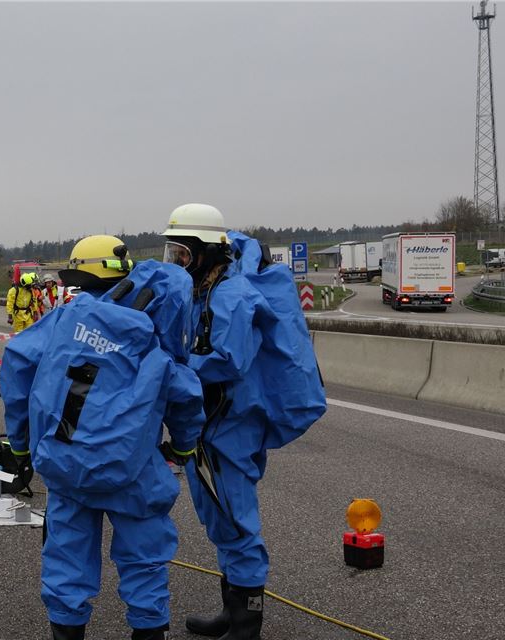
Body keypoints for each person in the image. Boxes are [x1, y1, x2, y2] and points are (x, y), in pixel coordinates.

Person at [1, 236, 203, 640]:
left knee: (67, 563)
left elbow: (17, 365)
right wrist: (181, 448)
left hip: (66, 464)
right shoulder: (150, 334)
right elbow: (186, 397)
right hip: (133, 470)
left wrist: (22, 443)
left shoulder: (63, 321)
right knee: (145, 563)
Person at [161, 204, 326, 640]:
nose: (177, 263)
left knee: (235, 520)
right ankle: (231, 611)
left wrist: (169, 369)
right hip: (213, 424)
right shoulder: (207, 289)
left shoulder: (232, 296)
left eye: (182, 254)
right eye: (173, 254)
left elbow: (227, 360)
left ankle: (247, 624)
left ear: (205, 252)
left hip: (229, 425)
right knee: (219, 518)